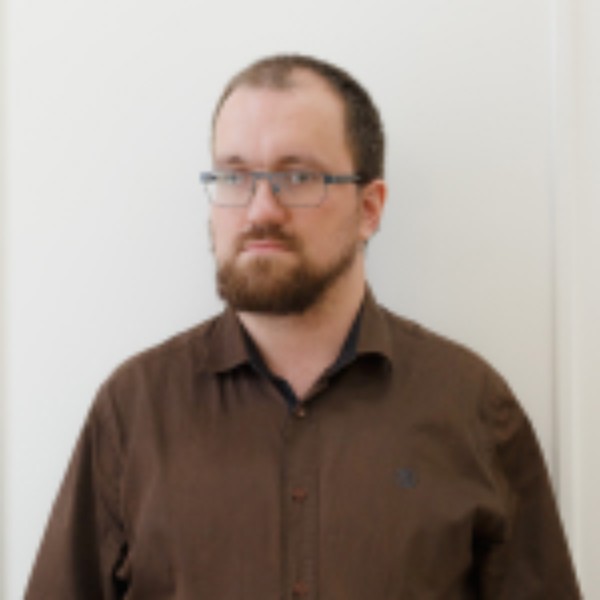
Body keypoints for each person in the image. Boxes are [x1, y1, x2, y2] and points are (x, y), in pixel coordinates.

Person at [26, 54, 581, 599]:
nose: (260, 210)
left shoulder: (471, 406)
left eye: (297, 177)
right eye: (234, 176)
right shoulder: (134, 409)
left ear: (369, 208)